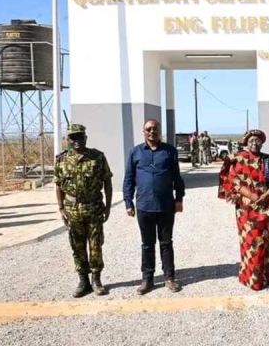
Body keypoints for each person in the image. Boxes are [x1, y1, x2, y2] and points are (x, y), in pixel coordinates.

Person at [123, 119, 186, 295]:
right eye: (148, 129)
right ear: (144, 132)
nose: (152, 132)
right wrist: (128, 202)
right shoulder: (135, 152)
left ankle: (169, 278)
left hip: (166, 206)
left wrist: (179, 199)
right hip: (144, 207)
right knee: (147, 245)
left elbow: (177, 178)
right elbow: (129, 179)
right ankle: (147, 279)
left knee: (166, 243)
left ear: (159, 131)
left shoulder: (169, 151)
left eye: (155, 129)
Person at [218, 129, 269, 290]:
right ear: (246, 142)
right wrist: (252, 196)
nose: (255, 143)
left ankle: (264, 276)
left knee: (264, 242)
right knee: (249, 243)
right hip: (246, 210)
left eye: (258, 140)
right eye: (251, 140)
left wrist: (267, 195)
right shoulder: (239, 159)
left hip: (266, 207)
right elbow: (232, 180)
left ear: (262, 142)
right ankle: (250, 278)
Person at [54, 123, 113, 298]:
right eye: (73, 137)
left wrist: (108, 206)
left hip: (93, 208)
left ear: (85, 138)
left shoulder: (97, 157)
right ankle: (83, 281)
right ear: (68, 140)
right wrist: (61, 208)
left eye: (80, 137)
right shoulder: (61, 160)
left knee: (96, 246)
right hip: (72, 210)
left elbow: (107, 182)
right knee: (77, 246)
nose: (77, 140)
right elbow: (58, 185)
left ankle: (96, 280)